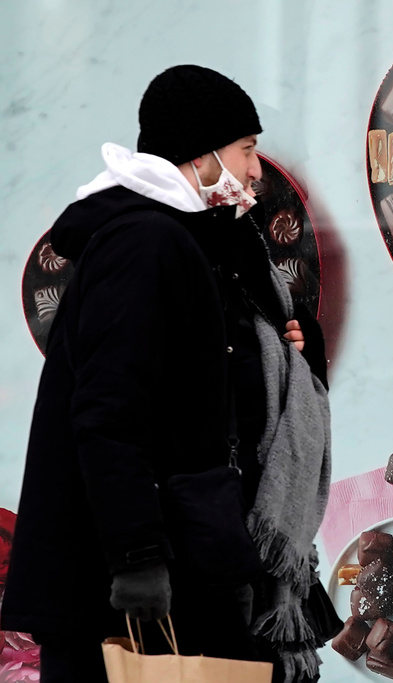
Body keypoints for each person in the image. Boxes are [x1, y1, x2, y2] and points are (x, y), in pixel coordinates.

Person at [1, 65, 333, 683]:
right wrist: (138, 557)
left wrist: (297, 346)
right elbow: (108, 410)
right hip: (132, 580)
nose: (256, 171)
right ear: (201, 155)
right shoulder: (143, 244)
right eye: (246, 149)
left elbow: (215, 379)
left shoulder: (200, 240)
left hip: (194, 555)